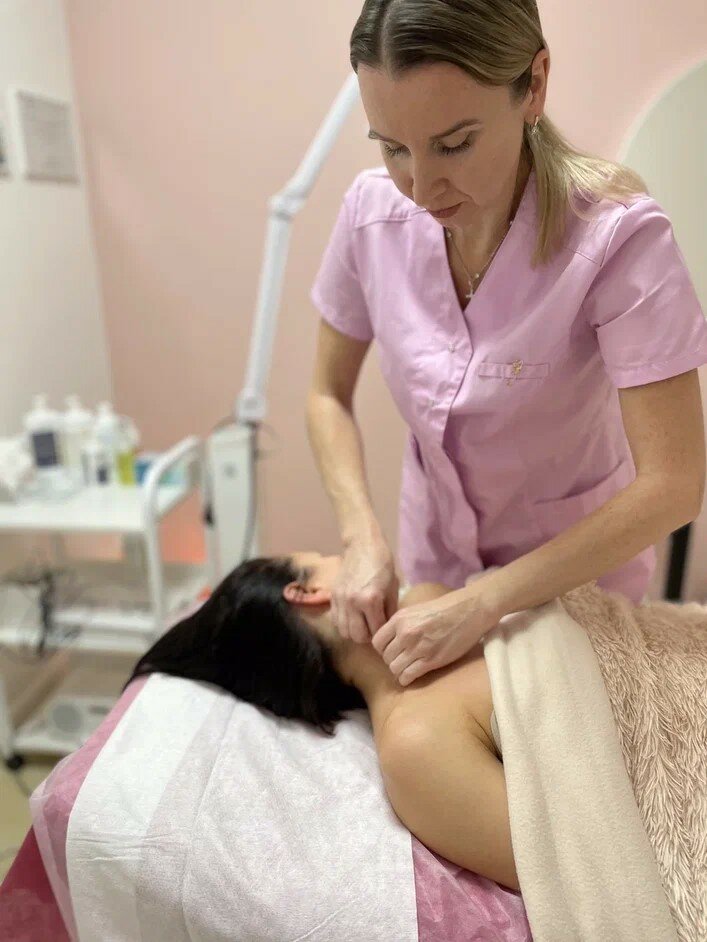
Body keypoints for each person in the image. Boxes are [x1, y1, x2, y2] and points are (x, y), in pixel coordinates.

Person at [306, 0, 707, 687]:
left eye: (453, 143)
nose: (419, 186)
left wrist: (486, 601)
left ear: (534, 85)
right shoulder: (372, 216)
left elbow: (673, 486)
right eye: (392, 147)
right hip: (434, 567)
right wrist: (360, 535)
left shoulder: (616, 239)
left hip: (578, 588)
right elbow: (325, 395)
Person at [125, 552, 519, 891]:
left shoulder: (429, 598)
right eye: (323, 556)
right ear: (307, 592)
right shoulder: (414, 746)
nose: (341, 555)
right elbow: (549, 865)